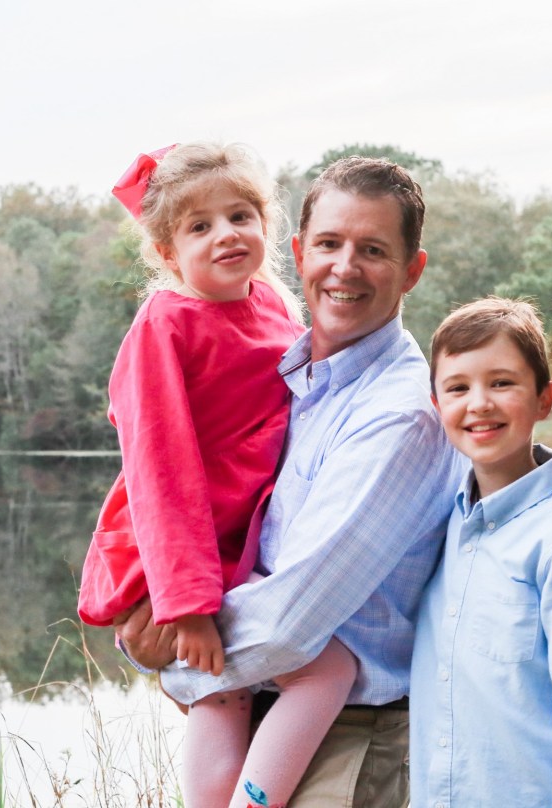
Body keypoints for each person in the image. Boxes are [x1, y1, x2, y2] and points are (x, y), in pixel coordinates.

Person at [116, 156, 460, 808]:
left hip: (348, 743)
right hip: (260, 708)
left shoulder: (403, 416)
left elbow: (287, 622)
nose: (345, 266)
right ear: (300, 253)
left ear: (413, 269)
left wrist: (172, 652)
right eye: (329, 244)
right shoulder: (282, 381)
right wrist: (170, 614)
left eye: (374, 250)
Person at [78, 142, 360, 808]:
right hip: (181, 563)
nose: (226, 234)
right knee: (314, 673)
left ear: (268, 225)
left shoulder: (274, 305)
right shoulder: (165, 326)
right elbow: (160, 475)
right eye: (199, 226)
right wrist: (190, 609)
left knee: (232, 695)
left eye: (240, 215)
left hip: (251, 542)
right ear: (169, 253)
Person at [411, 297, 552, 807]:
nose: (479, 403)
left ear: (544, 399)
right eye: (457, 387)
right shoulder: (443, 524)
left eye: (502, 383)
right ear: (436, 406)